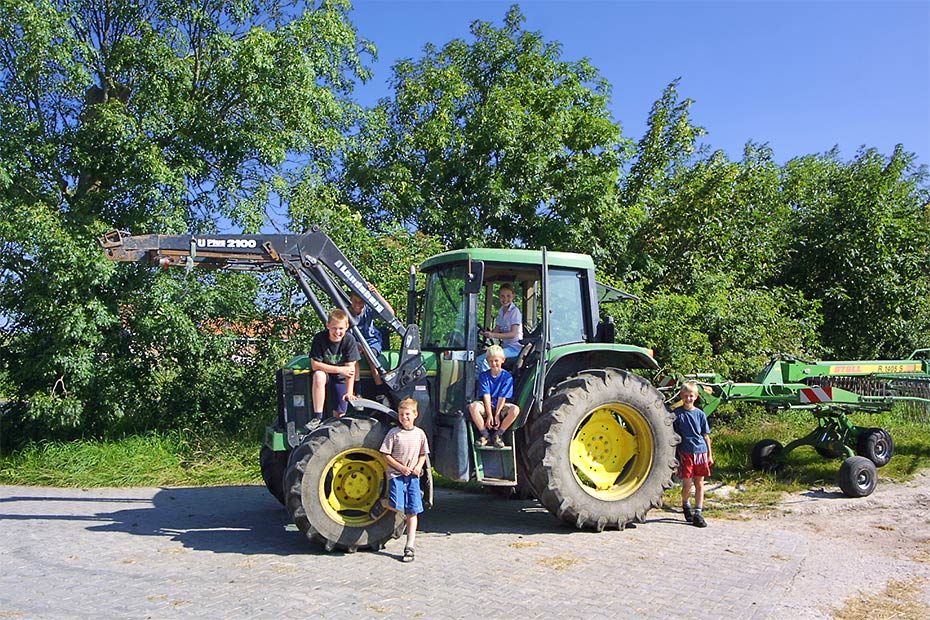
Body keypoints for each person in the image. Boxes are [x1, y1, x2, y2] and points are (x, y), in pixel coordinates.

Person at [369, 397, 429, 562]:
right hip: (397, 475)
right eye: (402, 414)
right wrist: (401, 467)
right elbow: (385, 454)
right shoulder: (394, 433)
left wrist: (418, 466)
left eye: (408, 414)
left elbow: (423, 454)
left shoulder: (420, 434)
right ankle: (382, 503)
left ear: (415, 414)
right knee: (397, 505)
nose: (405, 417)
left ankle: (410, 546)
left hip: (413, 477)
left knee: (413, 511)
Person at [307, 308, 360, 429]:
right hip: (327, 376)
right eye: (334, 328)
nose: (337, 332)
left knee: (340, 415)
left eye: (341, 328)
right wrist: (340, 370)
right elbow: (315, 365)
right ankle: (317, 417)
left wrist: (349, 392)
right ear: (328, 325)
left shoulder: (349, 340)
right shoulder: (319, 338)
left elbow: (350, 369)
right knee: (318, 375)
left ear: (346, 327)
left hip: (342, 379)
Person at [673, 381, 714, 528]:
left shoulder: (700, 414)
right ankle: (686, 506)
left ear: (696, 397)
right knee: (687, 484)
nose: (688, 398)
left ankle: (698, 512)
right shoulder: (677, 414)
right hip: (686, 452)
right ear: (681, 396)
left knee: (699, 483)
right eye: (685, 396)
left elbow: (706, 436)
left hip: (700, 452)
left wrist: (709, 454)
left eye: (691, 396)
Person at [468, 345, 520, 448]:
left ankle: (498, 434)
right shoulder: (484, 376)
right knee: (473, 407)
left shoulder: (507, 377)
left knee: (515, 410)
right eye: (490, 361)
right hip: (487, 405)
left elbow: (502, 397)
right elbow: (486, 396)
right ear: (487, 361)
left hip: (500, 405)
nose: (494, 364)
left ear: (503, 360)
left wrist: (496, 415)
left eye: (496, 361)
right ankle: (484, 435)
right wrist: (489, 415)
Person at [348, 285, 395, 391]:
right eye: (355, 301)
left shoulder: (368, 310)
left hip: (371, 342)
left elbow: (390, 313)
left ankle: (380, 390)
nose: (358, 305)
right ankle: (357, 390)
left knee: (371, 356)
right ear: (350, 299)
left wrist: (376, 294)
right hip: (354, 343)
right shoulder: (345, 312)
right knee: (353, 358)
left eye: (361, 302)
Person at [476, 283, 523, 372]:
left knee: (486, 360)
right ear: (499, 297)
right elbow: (496, 330)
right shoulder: (501, 311)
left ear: (513, 296)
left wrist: (493, 335)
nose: (505, 299)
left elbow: (513, 334)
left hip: (515, 348)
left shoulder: (514, 312)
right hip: (505, 347)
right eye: (502, 296)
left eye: (508, 296)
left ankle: (490, 382)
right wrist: (485, 333)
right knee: (479, 358)